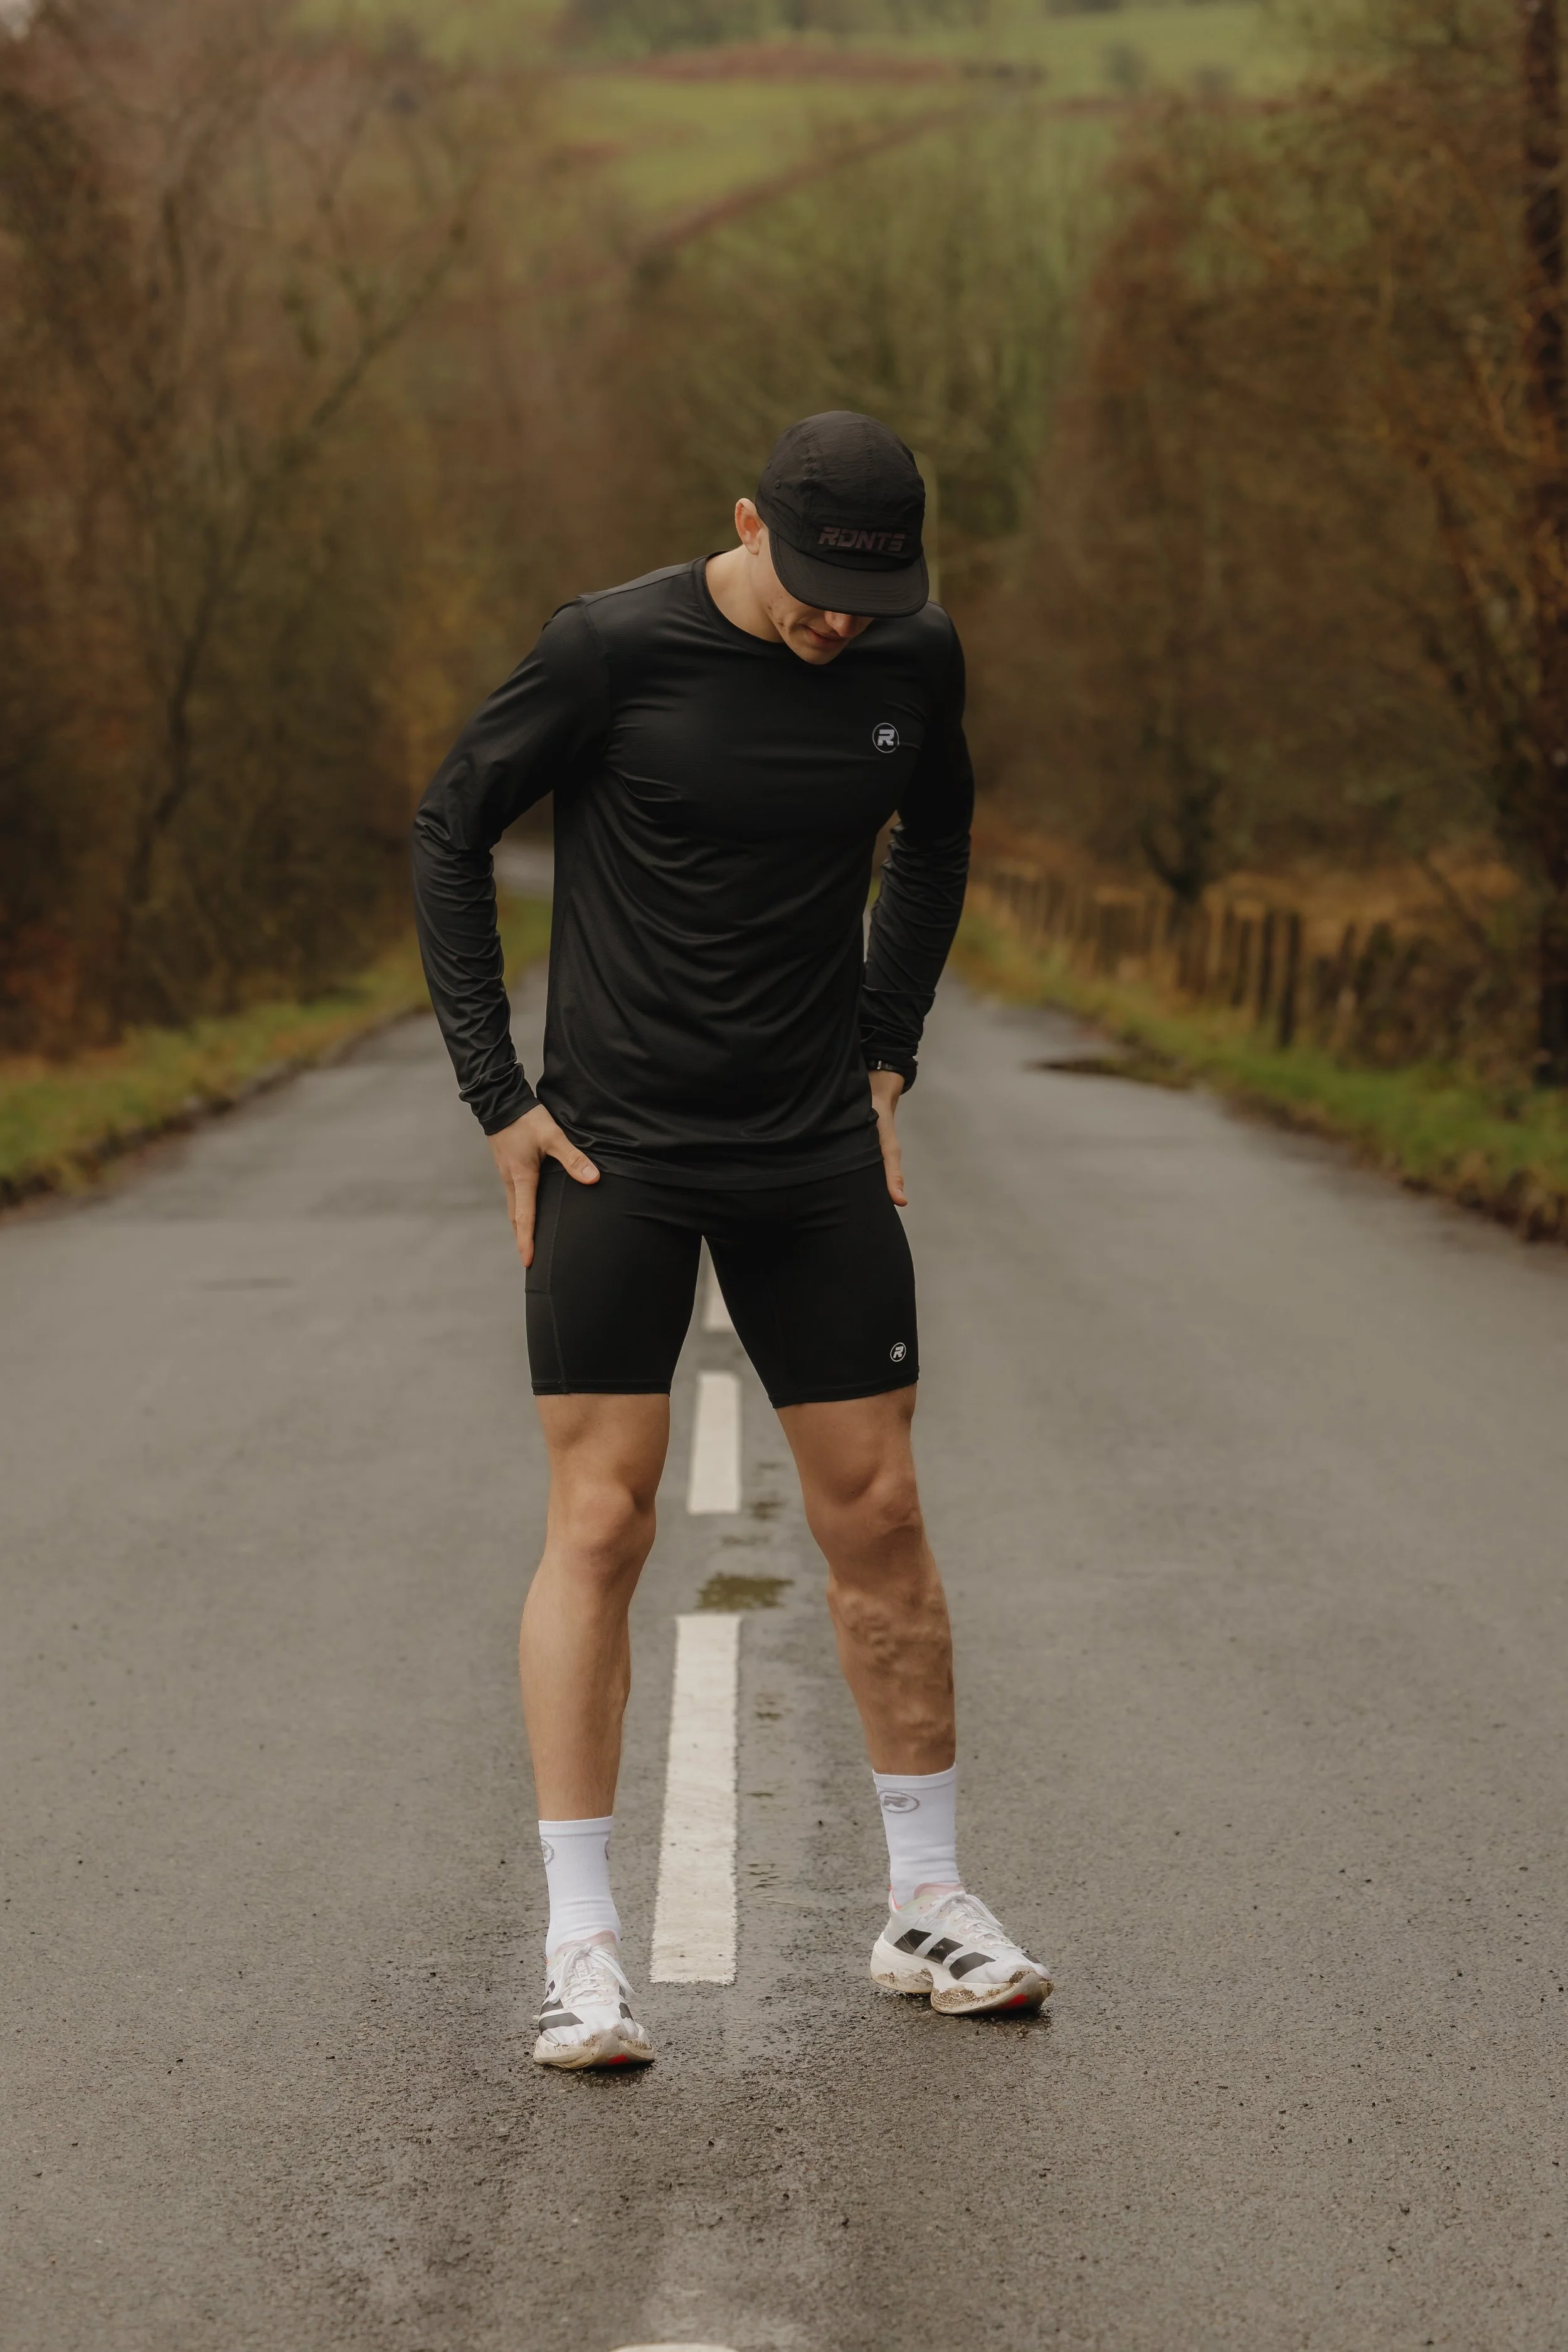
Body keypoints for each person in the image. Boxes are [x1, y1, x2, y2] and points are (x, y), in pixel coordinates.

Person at [412, 411, 1051, 2070]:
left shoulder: (917, 656)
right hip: (615, 1152)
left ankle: (923, 1905)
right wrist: (498, 1095)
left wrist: (888, 1041)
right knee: (606, 1521)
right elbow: (447, 826)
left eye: (873, 591)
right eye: (818, 585)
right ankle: (582, 1948)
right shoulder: (609, 650)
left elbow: (941, 830)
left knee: (882, 1513)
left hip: (812, 1148)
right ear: (749, 525)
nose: (843, 621)